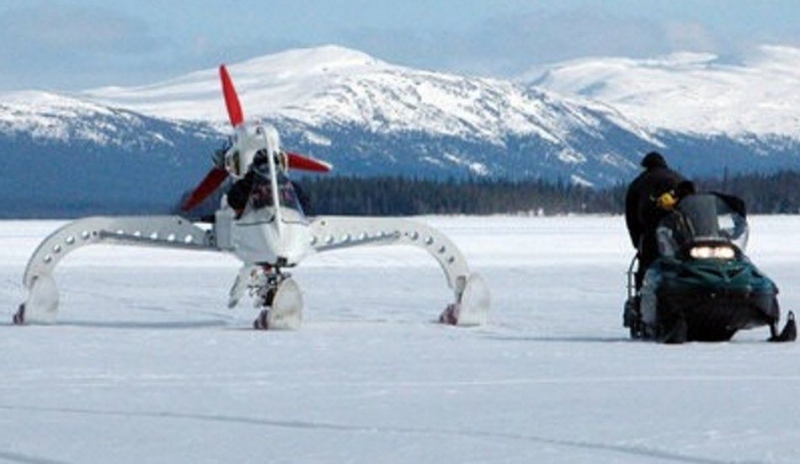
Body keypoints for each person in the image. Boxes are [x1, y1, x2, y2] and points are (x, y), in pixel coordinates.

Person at [624, 151, 688, 291]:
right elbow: (693, 205)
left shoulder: (639, 182)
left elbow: (631, 218)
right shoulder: (678, 178)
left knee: (647, 270)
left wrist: (637, 242)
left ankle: (642, 302)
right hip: (680, 234)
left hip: (651, 234)